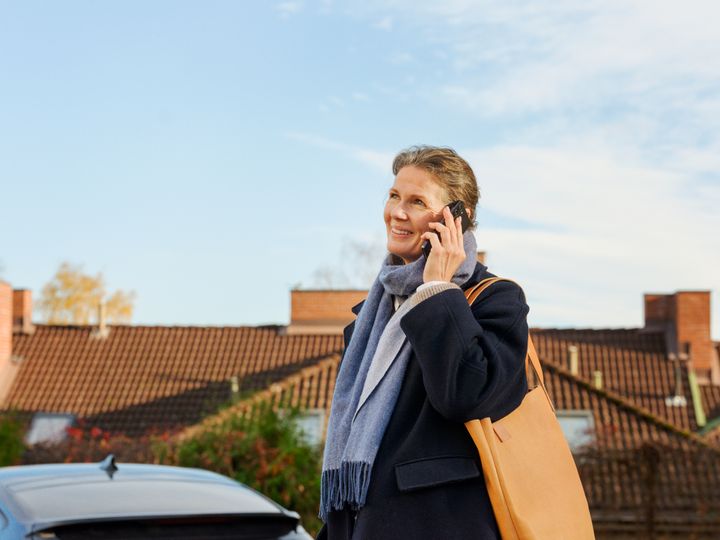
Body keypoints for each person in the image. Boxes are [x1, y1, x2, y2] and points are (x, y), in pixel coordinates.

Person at [316, 145, 530, 540]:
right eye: (394, 196)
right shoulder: (370, 317)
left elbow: (466, 395)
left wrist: (436, 289)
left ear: (454, 218)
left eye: (416, 201)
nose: (397, 212)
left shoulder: (494, 300)